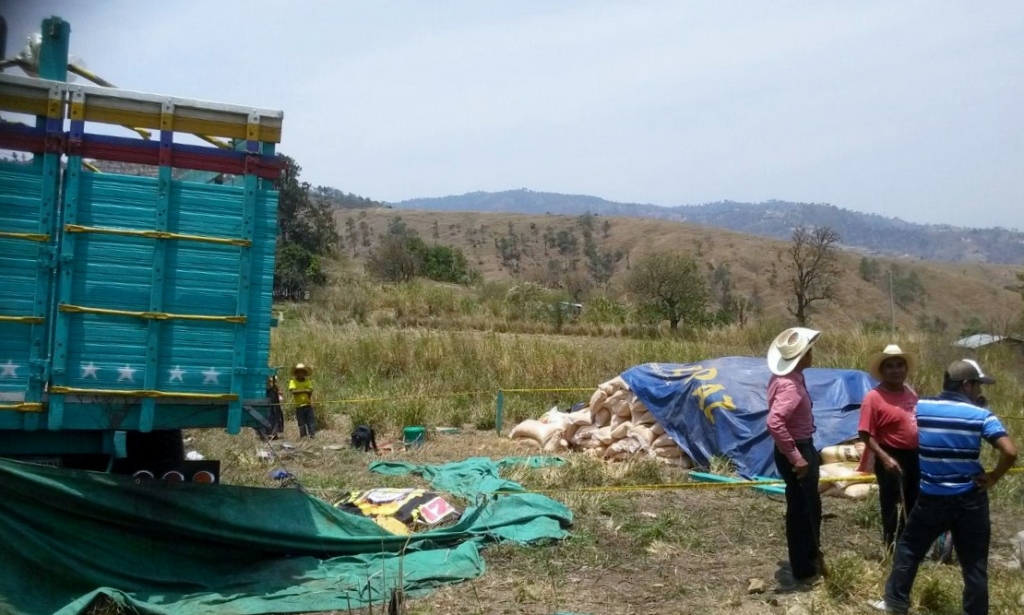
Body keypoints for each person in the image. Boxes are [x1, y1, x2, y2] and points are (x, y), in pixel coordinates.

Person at [871, 359, 1018, 615]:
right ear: (966, 385)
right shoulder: (982, 416)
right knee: (974, 563)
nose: (978, 391)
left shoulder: (924, 406)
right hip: (970, 498)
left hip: (932, 496)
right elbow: (1010, 452)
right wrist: (994, 476)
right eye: (976, 386)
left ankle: (896, 603)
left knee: (909, 548)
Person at [766, 326, 823, 584]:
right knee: (802, 509)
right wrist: (797, 458)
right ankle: (803, 566)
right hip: (798, 448)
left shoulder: (786, 378)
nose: (812, 354)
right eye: (809, 351)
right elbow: (775, 422)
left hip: (795, 446)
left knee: (806, 505)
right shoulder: (790, 386)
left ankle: (809, 555)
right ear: (801, 356)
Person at [858, 344, 919, 552]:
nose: (896, 370)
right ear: (882, 372)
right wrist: (884, 458)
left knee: (913, 499)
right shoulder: (873, 398)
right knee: (891, 504)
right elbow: (865, 433)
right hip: (890, 454)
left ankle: (909, 545)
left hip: (914, 455)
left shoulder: (910, 392)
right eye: (890, 366)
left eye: (900, 365)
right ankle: (891, 547)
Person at [288, 363, 316, 438]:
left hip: (308, 405)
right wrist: (305, 390)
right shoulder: (293, 382)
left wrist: (311, 401)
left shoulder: (308, 382)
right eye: (299, 372)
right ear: (296, 373)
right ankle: (303, 436)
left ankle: (312, 435)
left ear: (304, 373)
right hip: (299, 406)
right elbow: (293, 391)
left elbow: (310, 391)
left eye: (302, 372)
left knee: (311, 421)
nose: (300, 374)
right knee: (301, 422)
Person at [262, 374, 285, 438]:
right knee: (268, 414)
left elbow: (276, 386)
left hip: (273, 395)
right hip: (266, 394)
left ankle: (275, 432)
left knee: (275, 413)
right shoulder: (263, 376)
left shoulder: (273, 376)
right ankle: (266, 432)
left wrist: (278, 391)